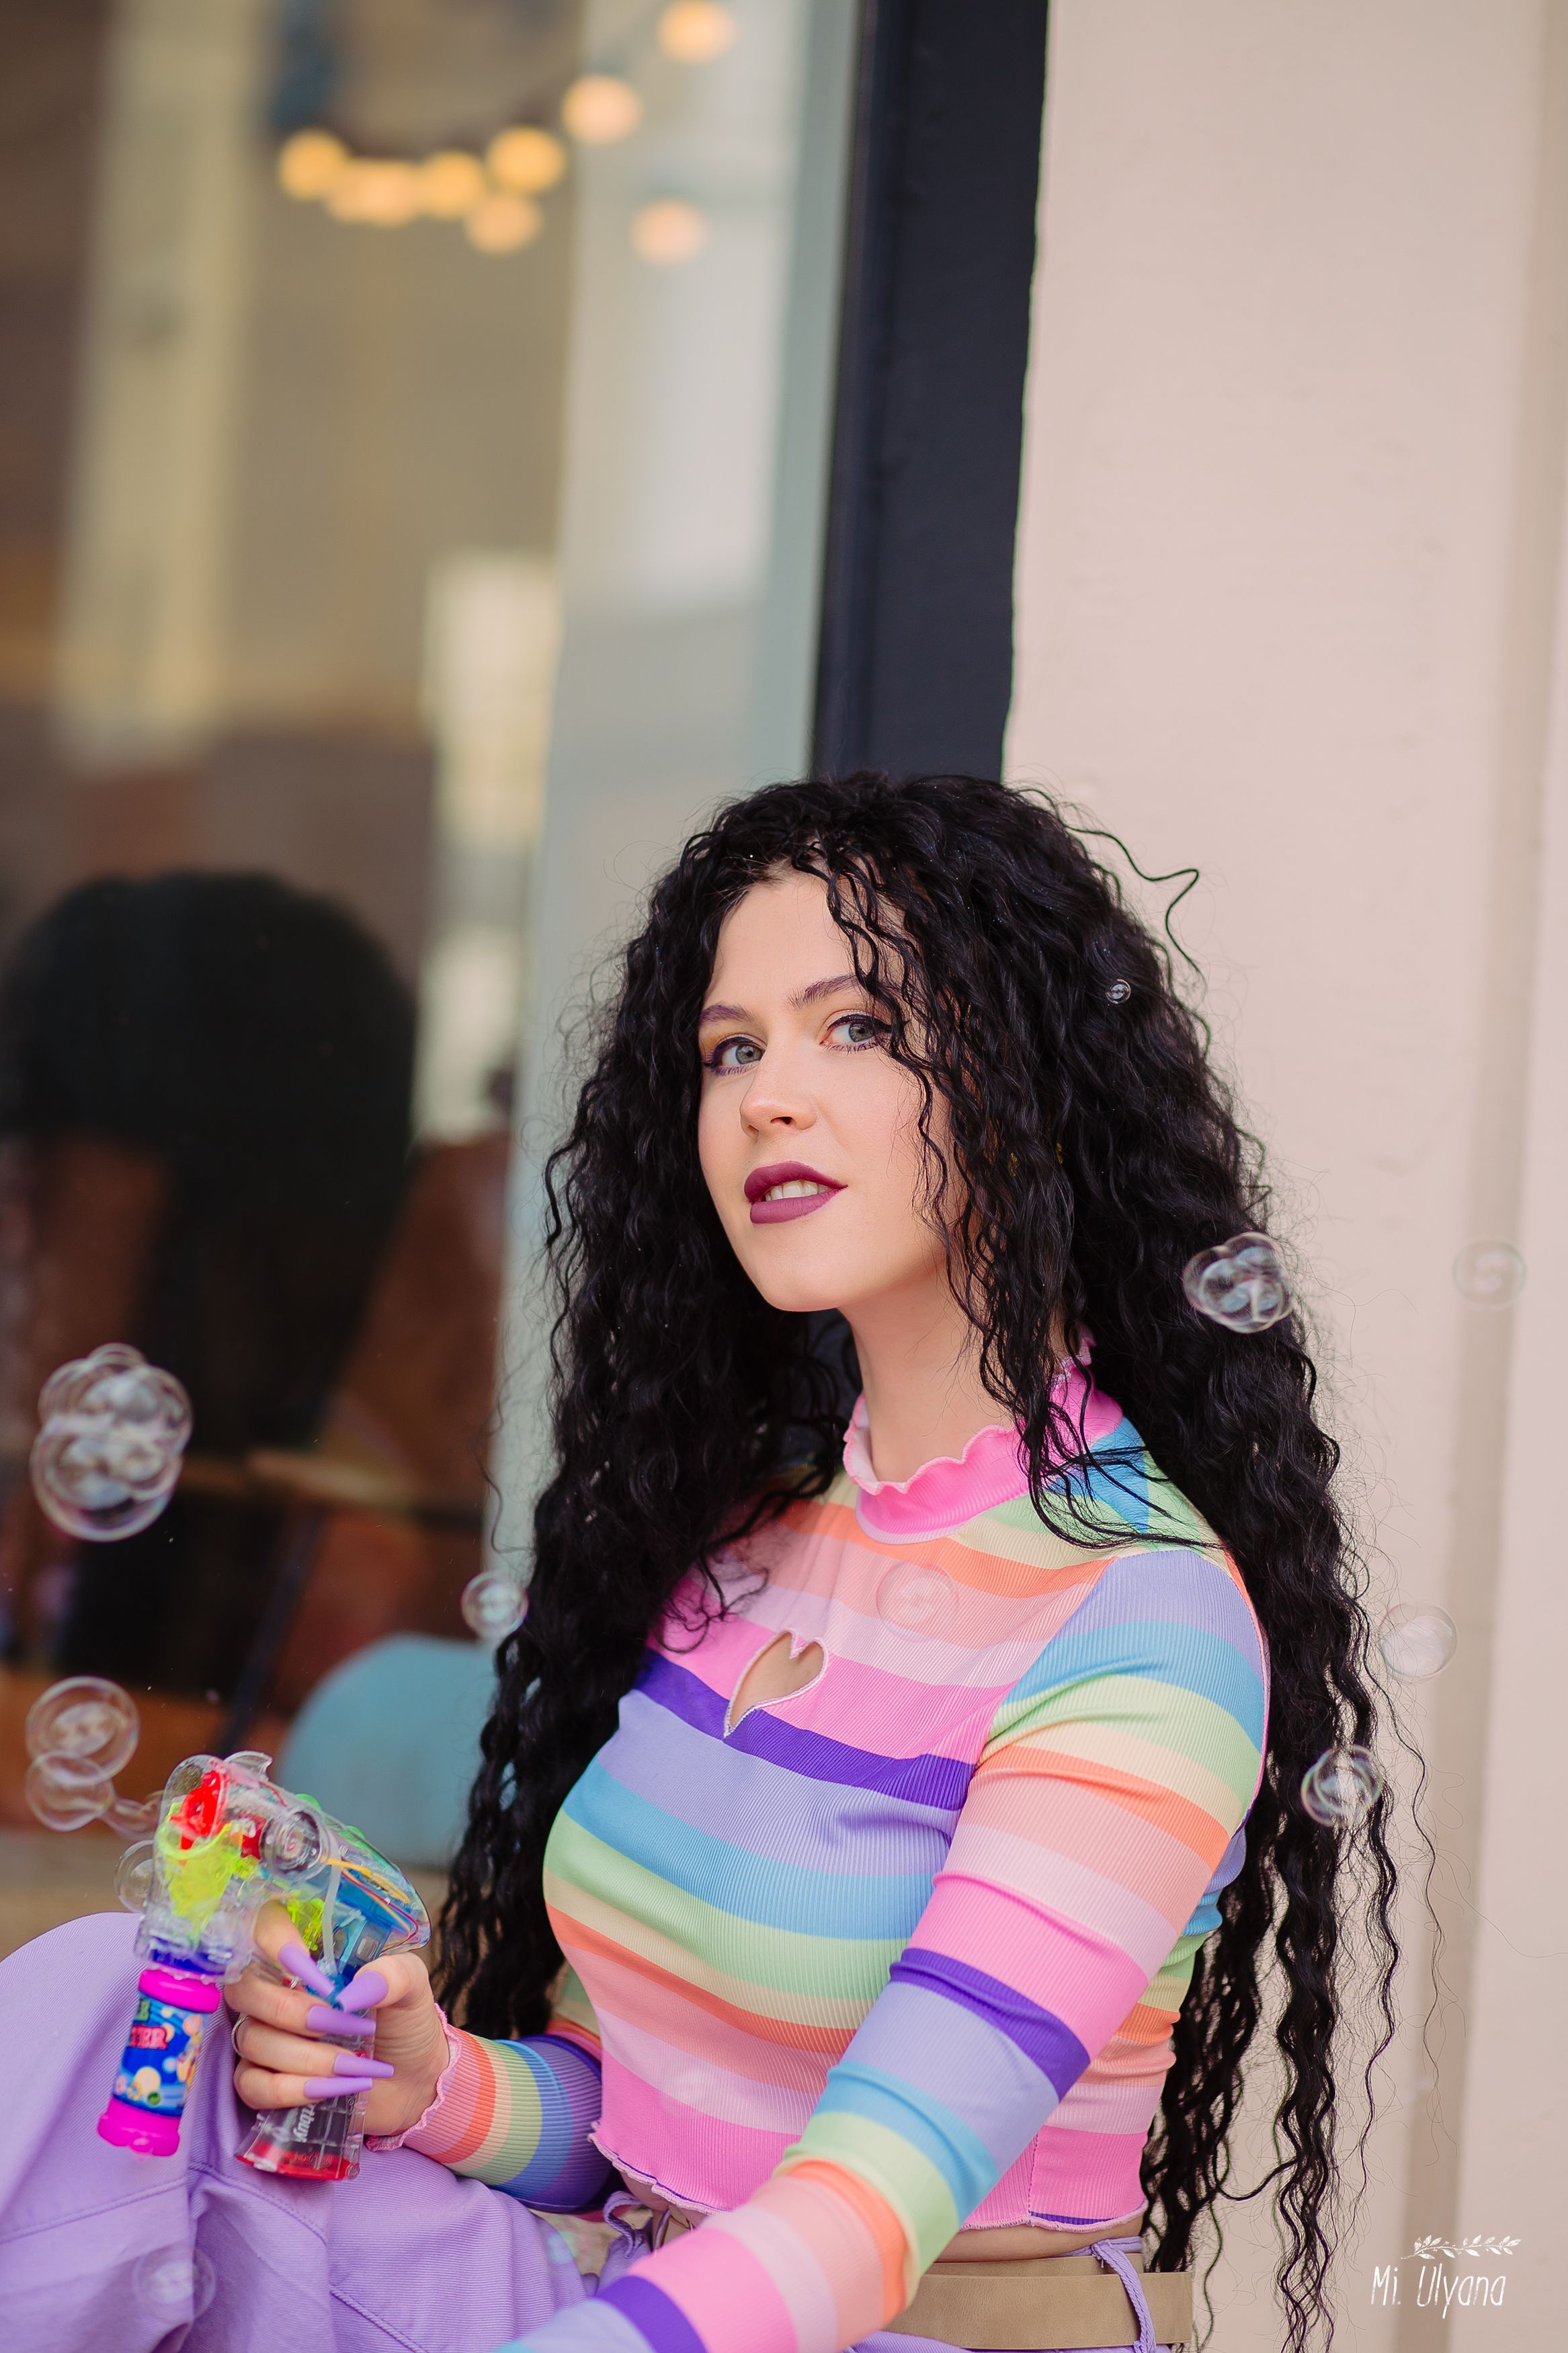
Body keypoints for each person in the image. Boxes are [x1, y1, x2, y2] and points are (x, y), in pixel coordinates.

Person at [1, 775, 1397, 2353]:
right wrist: (436, 2085)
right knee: (120, 2001)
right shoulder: (751, 1539)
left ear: (1042, 1084)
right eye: (731, 1047)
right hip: (626, 2294)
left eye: (856, 1026)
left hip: (890, 2326)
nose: (767, 1099)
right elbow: (637, 2120)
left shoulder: (1138, 1617)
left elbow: (859, 2223)